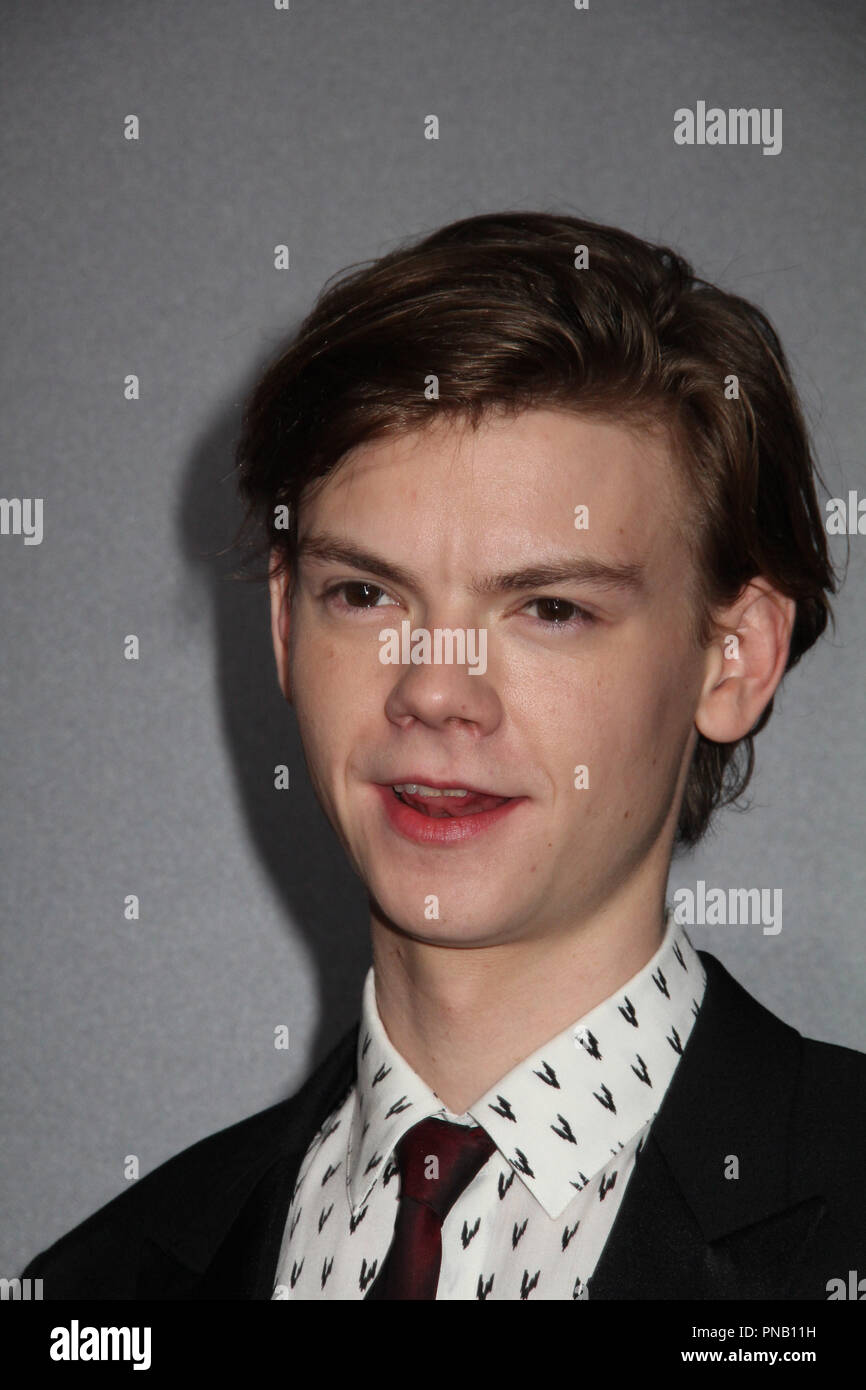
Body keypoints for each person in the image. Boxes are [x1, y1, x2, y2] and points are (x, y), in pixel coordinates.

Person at [22, 210, 866, 1300]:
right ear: (285, 625)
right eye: (365, 594)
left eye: (549, 607)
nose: (432, 688)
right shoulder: (101, 1289)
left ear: (733, 656)